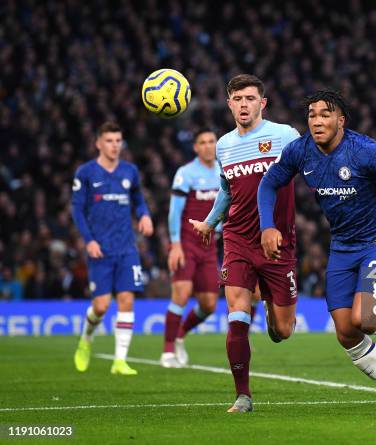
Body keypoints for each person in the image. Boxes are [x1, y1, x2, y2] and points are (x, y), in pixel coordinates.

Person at [258, 90, 376, 413]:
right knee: (345, 332)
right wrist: (267, 226)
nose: (317, 121)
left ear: (341, 120)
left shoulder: (363, 149)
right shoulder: (300, 151)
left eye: (325, 114)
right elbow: (268, 183)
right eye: (312, 115)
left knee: (364, 317)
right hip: (342, 245)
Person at [189, 74, 300, 413]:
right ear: (229, 104)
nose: (243, 104)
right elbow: (227, 190)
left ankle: (272, 310)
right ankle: (243, 395)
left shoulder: (285, 136)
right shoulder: (224, 145)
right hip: (237, 238)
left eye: (250, 98)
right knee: (237, 314)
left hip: (278, 241)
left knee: (283, 330)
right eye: (237, 99)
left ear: (262, 103)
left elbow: (312, 169)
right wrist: (211, 222)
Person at [72, 121, 153, 375]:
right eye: (109, 140)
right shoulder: (85, 173)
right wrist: (89, 240)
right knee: (101, 306)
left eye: (118, 141)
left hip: (127, 247)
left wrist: (144, 215)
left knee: (127, 299)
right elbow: (77, 210)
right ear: (98, 143)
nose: (115, 145)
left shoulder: (130, 171)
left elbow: (138, 200)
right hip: (100, 248)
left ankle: (120, 360)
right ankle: (86, 339)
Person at [161, 130, 222, 368]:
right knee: (182, 294)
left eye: (211, 142)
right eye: (203, 143)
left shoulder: (223, 171)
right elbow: (174, 212)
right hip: (186, 242)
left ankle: (179, 335)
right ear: (195, 147)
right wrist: (175, 244)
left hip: (209, 246)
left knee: (208, 305)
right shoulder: (185, 173)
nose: (208, 146)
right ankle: (167, 352)